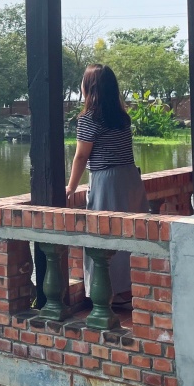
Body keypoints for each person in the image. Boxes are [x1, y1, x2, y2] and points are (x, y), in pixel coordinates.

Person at [65, 64, 149, 306]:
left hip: (107, 181)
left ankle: (112, 294)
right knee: (131, 234)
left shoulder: (89, 118)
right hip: (130, 179)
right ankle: (129, 289)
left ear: (89, 88)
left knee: (103, 235)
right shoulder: (122, 117)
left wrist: (71, 187)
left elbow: (81, 157)